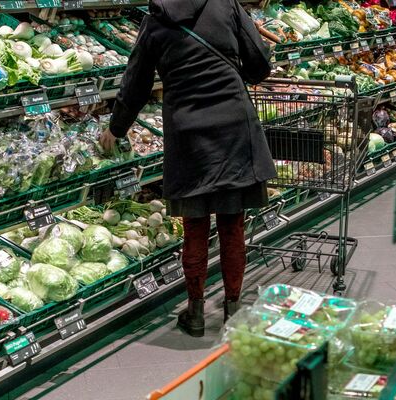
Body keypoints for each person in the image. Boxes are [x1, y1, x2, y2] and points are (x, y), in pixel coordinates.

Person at [99, 0, 277, 337]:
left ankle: (195, 313)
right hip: (232, 123)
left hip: (187, 130)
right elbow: (259, 61)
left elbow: (135, 81)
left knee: (195, 226)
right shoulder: (225, 4)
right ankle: (233, 311)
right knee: (232, 222)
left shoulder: (155, 19)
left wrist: (116, 128)